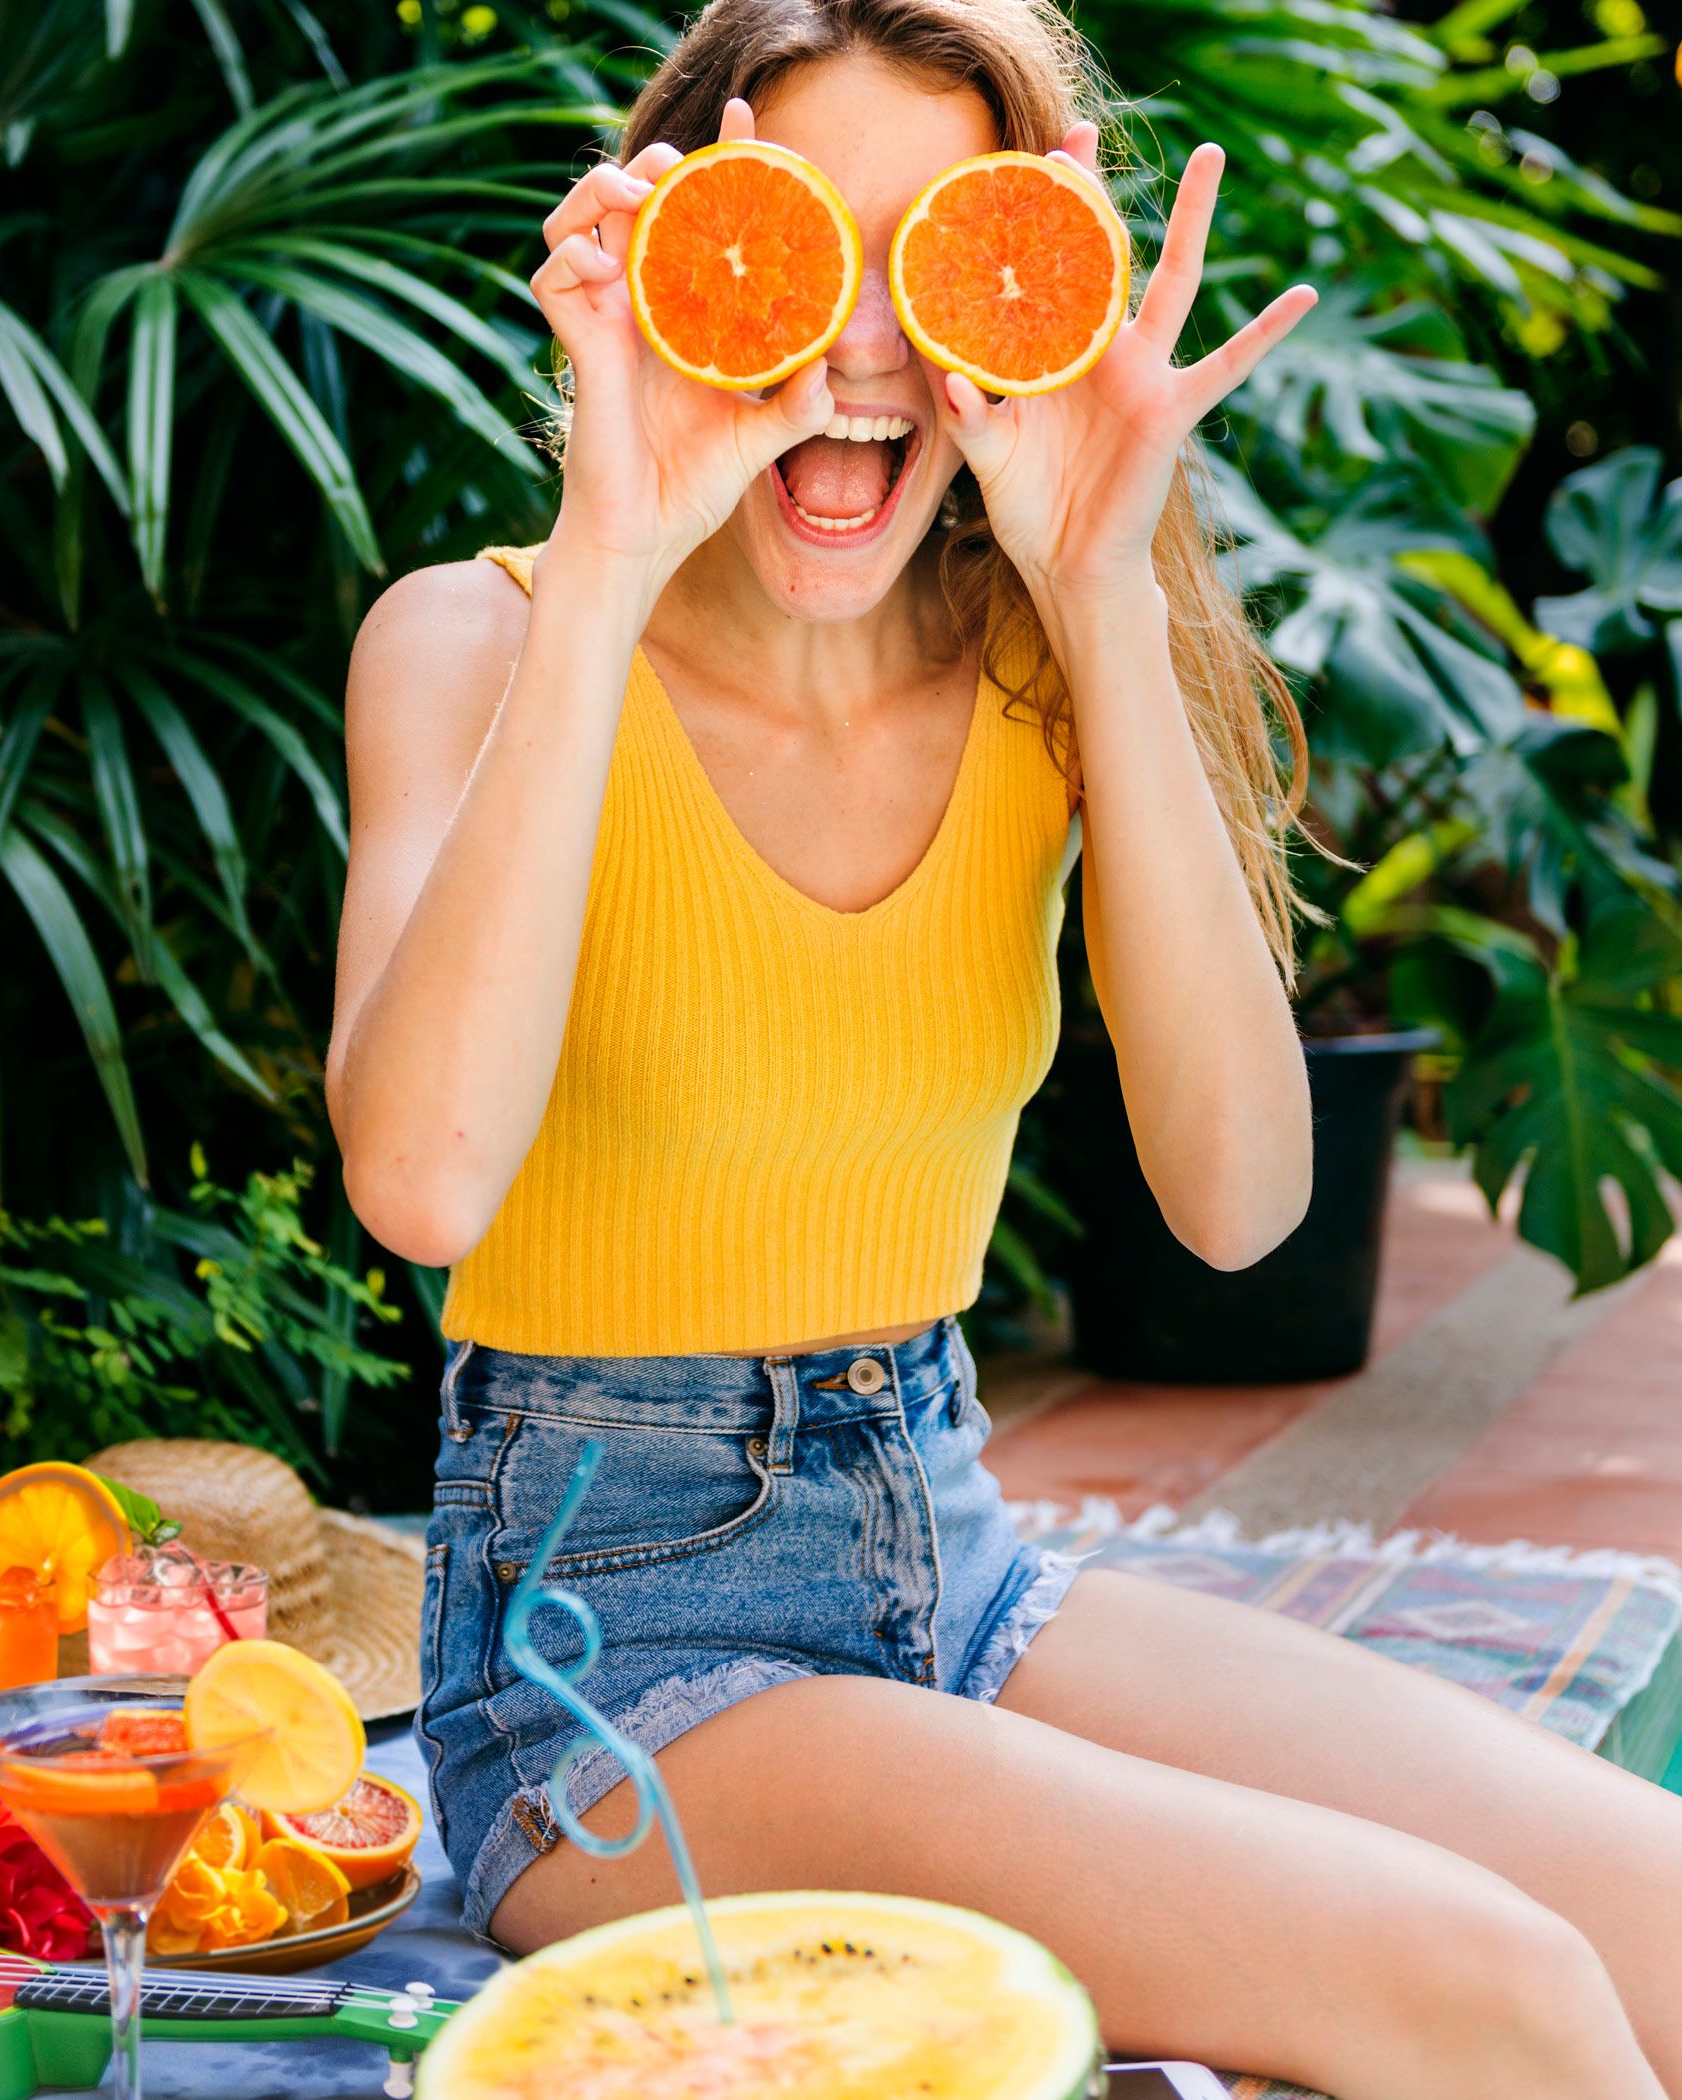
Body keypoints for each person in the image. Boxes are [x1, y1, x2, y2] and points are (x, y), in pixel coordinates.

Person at [326, 0, 1682, 2091]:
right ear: (670, 251)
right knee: (1490, 1989)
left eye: (938, 262)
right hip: (604, 1659)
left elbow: (1239, 1205)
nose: (860, 347)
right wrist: (608, 553)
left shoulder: (1040, 675)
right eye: (799, 249)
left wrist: (1102, 582)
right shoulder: (479, 638)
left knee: (1654, 1916)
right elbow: (419, 1185)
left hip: (950, 1557)